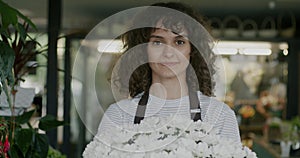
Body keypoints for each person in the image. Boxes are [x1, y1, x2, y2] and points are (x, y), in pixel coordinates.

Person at [97, 2, 241, 144]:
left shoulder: (219, 115)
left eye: (179, 42)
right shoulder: (119, 115)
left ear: (193, 50)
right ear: (143, 50)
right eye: (158, 42)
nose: (168, 53)